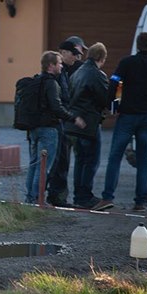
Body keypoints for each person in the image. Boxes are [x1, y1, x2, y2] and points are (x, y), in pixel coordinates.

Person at [94, 32, 147, 212]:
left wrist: (112, 106)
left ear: (137, 44)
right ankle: (140, 202)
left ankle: (107, 198)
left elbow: (114, 82)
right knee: (144, 159)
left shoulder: (126, 63)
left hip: (127, 115)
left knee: (115, 156)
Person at [26, 51, 85, 204]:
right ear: (51, 65)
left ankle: (30, 197)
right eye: (59, 63)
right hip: (49, 130)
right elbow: (56, 107)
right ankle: (37, 199)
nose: (61, 66)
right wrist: (74, 118)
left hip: (34, 129)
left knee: (33, 165)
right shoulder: (51, 83)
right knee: (44, 166)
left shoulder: (36, 80)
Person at [66, 42, 109, 208]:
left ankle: (79, 196)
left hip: (75, 123)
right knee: (91, 161)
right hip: (89, 124)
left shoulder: (78, 72)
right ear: (101, 58)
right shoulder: (97, 75)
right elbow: (104, 99)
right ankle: (85, 196)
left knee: (80, 161)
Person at [46, 40, 83, 207]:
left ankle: (54, 196)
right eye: (73, 54)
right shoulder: (58, 74)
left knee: (60, 162)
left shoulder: (67, 71)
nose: (76, 58)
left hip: (62, 121)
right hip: (60, 123)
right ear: (63, 52)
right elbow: (60, 102)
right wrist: (73, 118)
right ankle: (56, 197)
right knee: (60, 162)